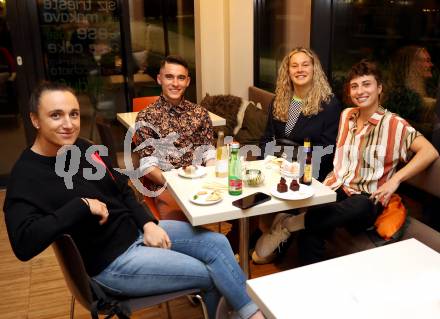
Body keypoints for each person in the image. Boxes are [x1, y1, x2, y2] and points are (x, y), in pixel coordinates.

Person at [3, 82, 264, 319]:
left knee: (217, 243)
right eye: (56, 115)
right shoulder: (26, 176)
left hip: (135, 231)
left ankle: (248, 314)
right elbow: (24, 245)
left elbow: (123, 191)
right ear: (35, 119)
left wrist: (148, 224)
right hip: (111, 263)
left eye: (74, 114)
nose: (68, 123)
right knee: (210, 273)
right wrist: (81, 206)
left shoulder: (83, 148)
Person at [255, 59, 439, 265]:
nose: (360, 91)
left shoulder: (394, 124)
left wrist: (395, 180)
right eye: (355, 86)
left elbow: (429, 152)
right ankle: (310, 281)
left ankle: (289, 223)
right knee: (311, 234)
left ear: (379, 88)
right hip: (336, 190)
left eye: (366, 84)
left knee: (359, 205)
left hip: (368, 199)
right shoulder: (346, 116)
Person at [253, 47, 342, 263]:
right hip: (276, 166)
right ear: (288, 70)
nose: (300, 69)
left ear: (314, 69)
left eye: (305, 64)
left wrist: (297, 169)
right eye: (294, 65)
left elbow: (328, 149)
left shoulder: (329, 104)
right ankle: (242, 243)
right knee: (244, 195)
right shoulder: (280, 100)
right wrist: (267, 162)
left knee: (262, 255)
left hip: (309, 172)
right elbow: (267, 138)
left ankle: (282, 233)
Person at [133, 55, 215, 221]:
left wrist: (213, 174)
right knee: (181, 225)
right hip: (168, 188)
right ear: (159, 79)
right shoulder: (146, 117)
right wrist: (174, 184)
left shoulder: (200, 113)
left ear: (188, 81)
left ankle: (227, 244)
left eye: (181, 78)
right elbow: (148, 166)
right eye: (169, 77)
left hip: (201, 183)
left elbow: (208, 152)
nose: (175, 83)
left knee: (242, 204)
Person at [385, 45, 436, 137]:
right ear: (413, 64)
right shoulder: (398, 95)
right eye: (427, 61)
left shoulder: (429, 89)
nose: (431, 65)